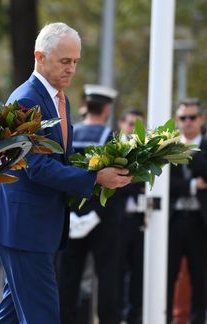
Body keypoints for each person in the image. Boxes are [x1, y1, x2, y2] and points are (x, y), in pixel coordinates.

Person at [0, 22, 132, 324]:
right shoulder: (27, 99)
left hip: (31, 225)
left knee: (11, 315)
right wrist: (95, 178)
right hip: (26, 227)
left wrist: (100, 161)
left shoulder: (58, 98)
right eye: (65, 61)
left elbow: (59, 154)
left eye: (75, 61)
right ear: (40, 57)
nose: (72, 69)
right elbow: (38, 166)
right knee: (43, 316)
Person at [58, 84, 126, 324]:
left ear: (86, 106)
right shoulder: (112, 138)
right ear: (106, 108)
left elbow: (61, 173)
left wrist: (76, 213)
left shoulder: (69, 134)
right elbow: (118, 181)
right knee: (107, 277)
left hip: (70, 215)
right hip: (103, 219)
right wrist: (96, 213)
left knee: (67, 279)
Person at [167, 98, 207, 324]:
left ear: (202, 119)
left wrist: (194, 153)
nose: (188, 122)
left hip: (200, 222)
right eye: (183, 118)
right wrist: (193, 186)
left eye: (192, 117)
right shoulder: (168, 148)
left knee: (200, 279)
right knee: (167, 276)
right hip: (172, 221)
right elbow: (164, 184)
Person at [117, 108, 145, 324]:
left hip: (139, 222)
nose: (134, 129)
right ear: (121, 125)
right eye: (131, 124)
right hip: (117, 222)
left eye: (139, 126)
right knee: (116, 272)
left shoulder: (147, 152)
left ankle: (133, 317)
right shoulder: (114, 150)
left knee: (137, 274)